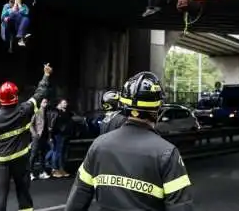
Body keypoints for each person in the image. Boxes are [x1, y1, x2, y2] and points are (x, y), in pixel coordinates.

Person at [64, 71, 194, 211]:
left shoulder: (98, 146)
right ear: (158, 109)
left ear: (123, 106)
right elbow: (181, 207)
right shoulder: (167, 154)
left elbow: (76, 202)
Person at [0, 64, 53, 211]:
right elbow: (40, 93)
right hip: (21, 161)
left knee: (0, 196)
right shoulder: (25, 110)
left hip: (2, 164)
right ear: (15, 96)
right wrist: (46, 75)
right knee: (23, 194)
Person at [30, 98, 50, 180]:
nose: (46, 103)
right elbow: (30, 124)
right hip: (37, 136)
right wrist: (35, 134)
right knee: (33, 155)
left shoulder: (47, 112)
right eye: (44, 102)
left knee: (42, 155)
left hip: (44, 136)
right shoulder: (37, 112)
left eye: (46, 102)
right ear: (40, 103)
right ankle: (30, 173)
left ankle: (42, 172)